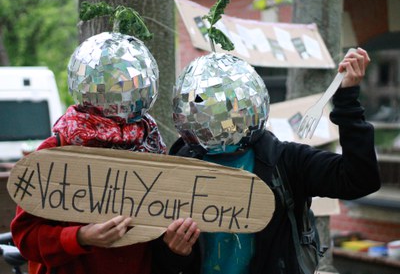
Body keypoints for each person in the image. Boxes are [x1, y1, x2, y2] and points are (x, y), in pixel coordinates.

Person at [169, 47, 381, 274]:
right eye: (201, 103)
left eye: (225, 104)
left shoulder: (286, 162)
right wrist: (176, 252)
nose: (214, 115)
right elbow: (165, 260)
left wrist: (347, 101)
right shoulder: (178, 166)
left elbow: (359, 179)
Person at [11, 32, 199, 274]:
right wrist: (81, 236)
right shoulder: (55, 152)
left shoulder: (153, 150)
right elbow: (26, 236)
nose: (121, 94)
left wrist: (176, 249)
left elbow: (161, 243)